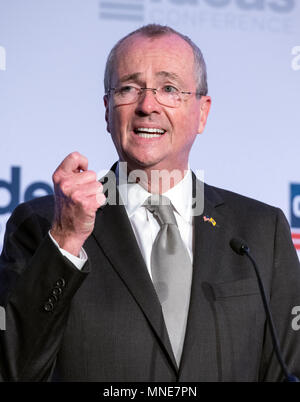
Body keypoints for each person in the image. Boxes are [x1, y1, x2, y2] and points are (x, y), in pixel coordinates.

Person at [0, 24, 300, 382]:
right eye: (129, 88)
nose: (147, 106)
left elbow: (290, 372)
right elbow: (13, 370)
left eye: (169, 88)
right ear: (107, 108)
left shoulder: (261, 231)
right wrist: (65, 241)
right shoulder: (41, 225)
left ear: (202, 112)